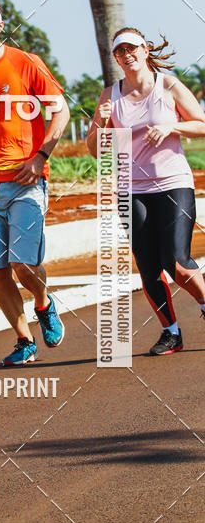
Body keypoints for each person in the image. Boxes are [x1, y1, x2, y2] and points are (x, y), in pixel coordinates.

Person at [87, 27, 205, 355]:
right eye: (120, 51)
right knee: (149, 266)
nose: (127, 54)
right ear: (116, 58)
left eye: (132, 48)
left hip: (172, 183)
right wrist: (102, 123)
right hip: (130, 189)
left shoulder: (167, 85)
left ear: (145, 50)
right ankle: (171, 332)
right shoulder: (110, 95)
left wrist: (171, 126)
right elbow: (97, 150)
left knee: (177, 263)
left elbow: (201, 124)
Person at [0, 0, 69, 366]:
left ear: (1, 25)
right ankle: (24, 340)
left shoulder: (24, 62)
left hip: (25, 181)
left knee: (22, 265)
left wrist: (41, 156)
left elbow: (59, 111)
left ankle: (44, 304)